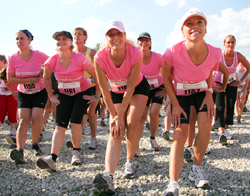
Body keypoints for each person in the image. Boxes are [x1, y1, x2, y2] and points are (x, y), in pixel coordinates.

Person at [162, 8, 223, 195]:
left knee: (205, 127)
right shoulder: (172, 51)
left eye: (199, 22)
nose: (195, 26)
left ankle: (195, 169)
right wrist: (175, 105)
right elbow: (165, 78)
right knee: (179, 135)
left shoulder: (215, 52)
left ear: (205, 28)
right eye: (189, 23)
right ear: (183, 30)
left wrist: (210, 92)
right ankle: (173, 183)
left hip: (202, 92)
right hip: (180, 95)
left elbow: (211, 73)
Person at [93, 21, 149, 195]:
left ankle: (130, 160)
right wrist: (114, 116)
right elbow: (104, 89)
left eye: (119, 34)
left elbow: (131, 88)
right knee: (115, 130)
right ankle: (108, 176)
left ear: (125, 36)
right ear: (107, 38)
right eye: (111, 35)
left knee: (131, 122)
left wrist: (121, 114)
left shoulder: (135, 53)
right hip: (116, 91)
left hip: (137, 88)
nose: (115, 38)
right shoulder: (99, 57)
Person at [36, 31, 100, 172]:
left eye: (64, 39)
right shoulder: (52, 60)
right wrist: (51, 95)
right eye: (58, 40)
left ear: (71, 43)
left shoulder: (79, 58)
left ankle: (76, 152)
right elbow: (46, 78)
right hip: (64, 93)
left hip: (82, 92)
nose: (61, 41)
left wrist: (97, 95)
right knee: (60, 126)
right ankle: (52, 159)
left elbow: (97, 75)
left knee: (76, 122)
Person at [7, 30, 48, 164]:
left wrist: (44, 72)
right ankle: (20, 150)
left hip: (39, 91)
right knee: (23, 120)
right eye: (17, 39)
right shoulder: (13, 57)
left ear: (29, 41)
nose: (19, 41)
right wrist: (30, 79)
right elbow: (10, 79)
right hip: (23, 93)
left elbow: (53, 63)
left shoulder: (38, 55)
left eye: (22, 38)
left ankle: (35, 144)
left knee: (36, 118)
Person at [184, 63, 229, 162]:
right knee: (191, 118)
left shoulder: (209, 54)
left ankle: (202, 146)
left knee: (204, 121)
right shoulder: (184, 53)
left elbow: (225, 71)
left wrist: (223, 87)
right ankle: (189, 146)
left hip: (205, 90)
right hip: (189, 88)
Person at [214, 35, 250, 145]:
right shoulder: (219, 56)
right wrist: (212, 83)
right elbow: (210, 68)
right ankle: (221, 132)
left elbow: (248, 68)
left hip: (231, 82)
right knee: (220, 105)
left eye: (233, 42)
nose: (230, 44)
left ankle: (225, 128)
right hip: (219, 81)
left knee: (230, 105)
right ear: (224, 44)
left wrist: (240, 81)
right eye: (228, 42)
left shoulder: (238, 56)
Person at [137, 32, 165, 151]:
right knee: (142, 117)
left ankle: (153, 139)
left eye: (146, 40)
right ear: (138, 43)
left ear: (151, 43)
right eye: (141, 40)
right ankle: (135, 143)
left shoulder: (158, 57)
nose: (144, 42)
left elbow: (168, 72)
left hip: (157, 88)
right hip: (142, 89)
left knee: (154, 113)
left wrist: (166, 90)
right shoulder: (135, 57)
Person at [73, 27, 99, 149]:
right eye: (75, 34)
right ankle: (77, 140)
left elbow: (100, 71)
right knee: (78, 113)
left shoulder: (91, 53)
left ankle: (93, 138)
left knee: (91, 112)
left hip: (93, 87)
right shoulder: (71, 53)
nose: (76, 36)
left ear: (85, 37)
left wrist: (98, 93)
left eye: (79, 34)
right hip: (77, 88)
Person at [0, 55, 18, 146]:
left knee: (12, 112)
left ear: (3, 61)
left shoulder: (9, 69)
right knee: (0, 112)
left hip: (11, 95)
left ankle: (13, 130)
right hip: (1, 95)